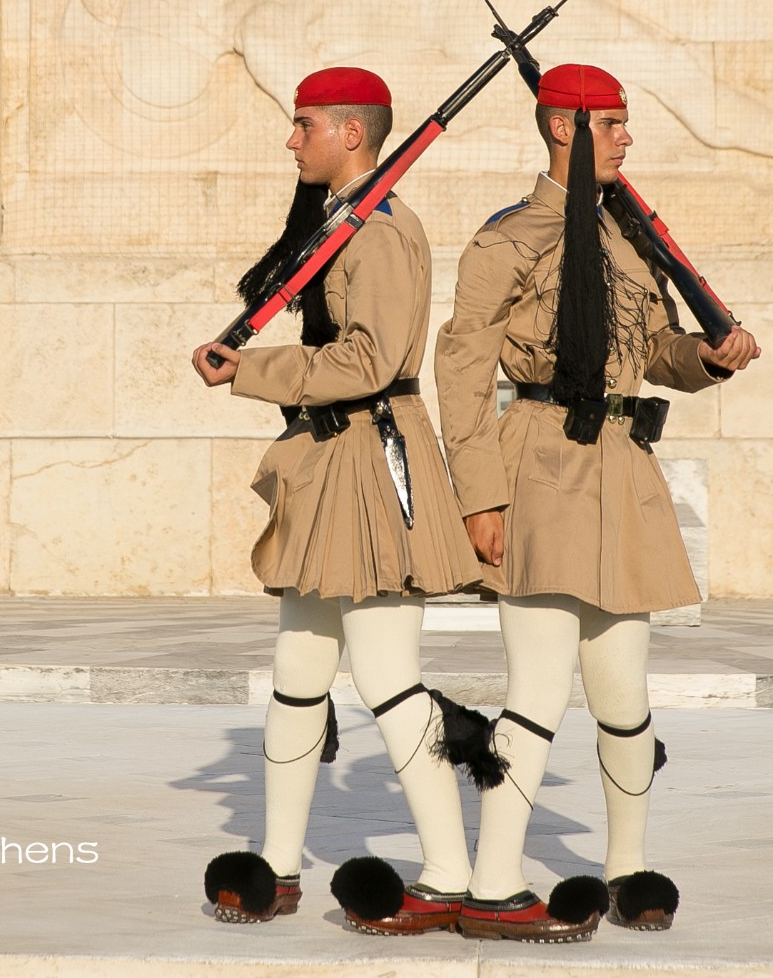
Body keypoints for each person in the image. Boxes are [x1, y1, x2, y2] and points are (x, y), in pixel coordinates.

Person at [435, 62, 760, 942]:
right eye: (612, 123)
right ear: (562, 130)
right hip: (540, 465)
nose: (626, 138)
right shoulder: (507, 240)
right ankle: (495, 884)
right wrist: (478, 497)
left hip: (624, 467)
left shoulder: (625, 235)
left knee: (623, 690)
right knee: (535, 691)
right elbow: (461, 373)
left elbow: (653, 347)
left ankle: (628, 868)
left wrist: (707, 358)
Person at [190, 66, 490, 936]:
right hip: (328, 464)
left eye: (305, 124)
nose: (293, 140)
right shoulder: (340, 223)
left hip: (370, 463)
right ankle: (279, 868)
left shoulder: (383, 233)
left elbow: (370, 361)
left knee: (390, 681)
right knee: (298, 678)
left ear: (353, 134)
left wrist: (249, 369)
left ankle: (448, 871)